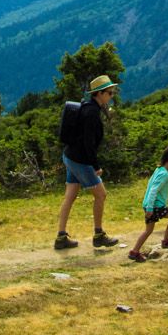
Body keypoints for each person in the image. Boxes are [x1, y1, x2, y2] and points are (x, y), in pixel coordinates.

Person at [55, 74, 123, 250]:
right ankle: (99, 235)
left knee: (70, 196)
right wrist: (96, 166)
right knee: (101, 195)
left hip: (69, 156)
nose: (111, 96)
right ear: (99, 94)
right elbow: (88, 143)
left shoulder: (87, 107)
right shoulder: (92, 113)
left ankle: (61, 237)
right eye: (109, 93)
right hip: (80, 160)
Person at [128, 144, 168, 262]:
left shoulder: (159, 169)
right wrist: (150, 208)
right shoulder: (164, 174)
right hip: (155, 207)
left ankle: (134, 252)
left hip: (150, 205)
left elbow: (151, 185)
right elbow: (153, 190)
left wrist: (147, 206)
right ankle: (166, 241)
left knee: (148, 230)